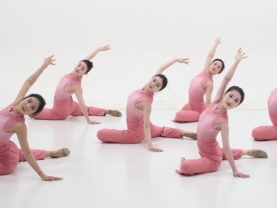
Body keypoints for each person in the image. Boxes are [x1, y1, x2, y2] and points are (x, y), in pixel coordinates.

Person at [0, 56, 69, 180]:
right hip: (8, 147)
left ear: (32, 113)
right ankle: (50, 153)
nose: (27, 106)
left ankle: (44, 154)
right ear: (24, 98)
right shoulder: (15, 103)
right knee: (18, 153)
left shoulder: (19, 125)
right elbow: (28, 82)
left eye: (32, 108)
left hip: (6, 161)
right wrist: (44, 66)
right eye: (29, 101)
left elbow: (27, 153)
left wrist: (42, 175)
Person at [177, 49, 267, 177]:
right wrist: (237, 61)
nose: (231, 101)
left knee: (185, 167)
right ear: (224, 94)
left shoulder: (223, 122)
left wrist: (235, 171)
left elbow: (227, 147)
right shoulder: (215, 102)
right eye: (230, 96)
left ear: (236, 106)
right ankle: (246, 152)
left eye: (236, 101)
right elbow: (226, 79)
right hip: (208, 149)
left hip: (212, 159)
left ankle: (235, 154)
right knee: (219, 151)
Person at [97, 58, 196, 151]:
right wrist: (176, 60)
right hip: (143, 125)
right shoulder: (146, 87)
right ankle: (182, 133)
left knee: (100, 133)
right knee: (162, 130)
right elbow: (161, 68)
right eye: (154, 80)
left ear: (159, 90)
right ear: (152, 78)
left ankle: (178, 134)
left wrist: (150, 145)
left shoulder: (146, 101)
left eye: (157, 85)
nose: (153, 84)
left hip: (135, 134)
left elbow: (147, 126)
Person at [32, 45, 121, 123]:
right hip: (70, 104)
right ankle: (105, 111)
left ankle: (101, 112)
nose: (79, 68)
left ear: (85, 73)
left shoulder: (76, 86)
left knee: (32, 113)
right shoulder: (76, 72)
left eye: (82, 69)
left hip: (60, 111)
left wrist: (88, 120)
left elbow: (81, 103)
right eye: (79, 65)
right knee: (87, 109)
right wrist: (98, 49)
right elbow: (87, 58)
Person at [173, 38, 224, 123]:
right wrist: (216, 43)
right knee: (177, 115)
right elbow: (210, 55)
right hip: (189, 105)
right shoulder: (204, 71)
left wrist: (208, 117)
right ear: (211, 63)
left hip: (198, 110)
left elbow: (208, 102)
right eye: (215, 64)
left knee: (178, 116)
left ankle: (200, 115)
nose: (215, 66)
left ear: (219, 72)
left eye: (218, 67)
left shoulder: (209, 83)